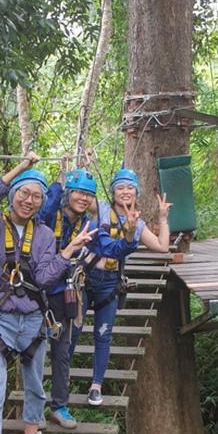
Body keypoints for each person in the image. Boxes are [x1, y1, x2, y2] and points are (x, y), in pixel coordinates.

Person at [0, 154, 92, 434]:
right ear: (12, 196)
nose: (29, 201)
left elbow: (42, 277)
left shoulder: (43, 234)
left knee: (35, 386)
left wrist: (69, 248)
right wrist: (21, 169)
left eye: (36, 196)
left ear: (43, 201)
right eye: (23, 194)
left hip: (32, 318)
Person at [74, 168, 171, 406]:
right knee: (73, 331)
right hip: (85, 278)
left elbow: (162, 247)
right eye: (120, 188)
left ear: (136, 192)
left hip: (109, 283)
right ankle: (60, 383)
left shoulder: (137, 225)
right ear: (113, 192)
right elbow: (82, 198)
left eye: (130, 188)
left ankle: (96, 386)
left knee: (103, 335)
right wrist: (86, 165)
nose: (125, 192)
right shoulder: (101, 209)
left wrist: (162, 218)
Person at [36, 168, 98, 429]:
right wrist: (57, 183)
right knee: (33, 351)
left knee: (62, 352)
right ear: (69, 193)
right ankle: (34, 409)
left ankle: (59, 405)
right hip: (37, 292)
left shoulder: (85, 223)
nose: (83, 199)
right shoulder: (52, 213)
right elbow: (44, 206)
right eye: (79, 193)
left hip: (65, 293)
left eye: (88, 195)